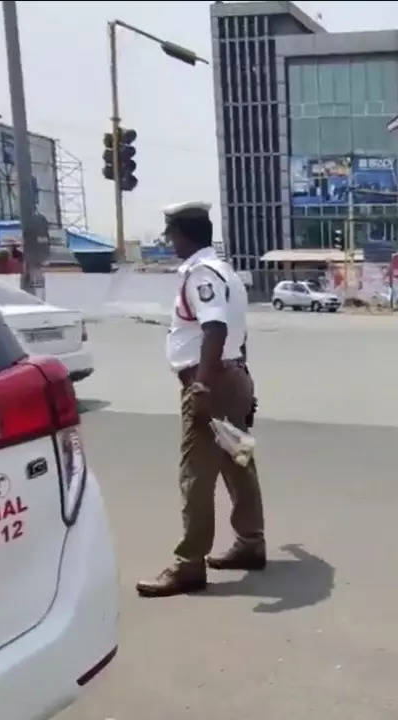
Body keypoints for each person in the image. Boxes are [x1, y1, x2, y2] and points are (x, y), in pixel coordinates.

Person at [137, 201, 267, 598]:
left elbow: (214, 328)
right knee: (237, 462)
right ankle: (249, 543)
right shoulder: (226, 271)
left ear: (182, 234)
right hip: (232, 374)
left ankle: (189, 564)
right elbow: (235, 332)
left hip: (210, 380)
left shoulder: (201, 275)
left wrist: (203, 387)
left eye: (170, 234)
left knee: (195, 474)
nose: (168, 241)